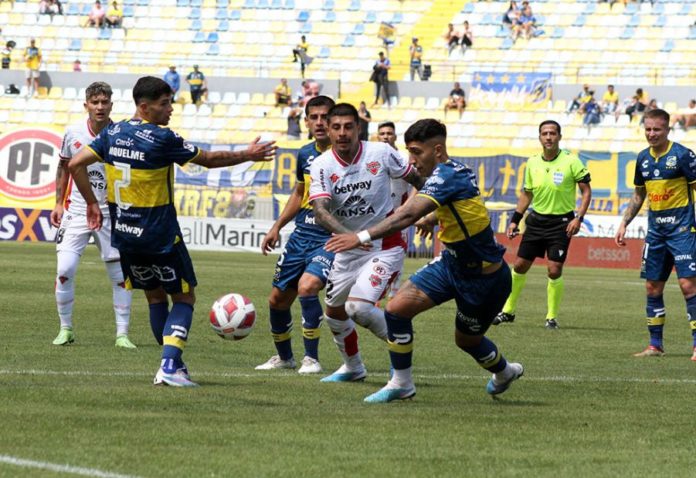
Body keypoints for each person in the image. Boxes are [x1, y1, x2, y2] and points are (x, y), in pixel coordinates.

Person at [67, 76, 277, 387]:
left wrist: (92, 204)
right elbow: (206, 160)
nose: (170, 109)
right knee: (184, 298)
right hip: (159, 235)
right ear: (144, 107)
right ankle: (168, 365)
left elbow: (74, 164)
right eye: (164, 104)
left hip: (124, 234)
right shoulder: (161, 138)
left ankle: (173, 365)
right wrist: (248, 154)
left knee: (154, 297)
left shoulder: (112, 132)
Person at [324, 119, 524, 403]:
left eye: (417, 152)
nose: (412, 160)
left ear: (438, 150)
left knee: (467, 341)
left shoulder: (446, 176)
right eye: (409, 152)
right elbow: (457, 209)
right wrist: (432, 218)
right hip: (449, 266)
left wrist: (359, 237)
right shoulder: (449, 174)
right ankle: (401, 383)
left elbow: (406, 215)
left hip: (484, 279)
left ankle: (504, 371)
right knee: (396, 310)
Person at [308, 103, 423, 383]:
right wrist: (347, 238)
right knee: (334, 312)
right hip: (347, 249)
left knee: (358, 308)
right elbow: (320, 210)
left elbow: (418, 178)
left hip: (385, 245)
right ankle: (353, 367)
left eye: (349, 126)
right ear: (329, 131)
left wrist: (429, 210)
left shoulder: (381, 153)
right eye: (336, 127)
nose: (343, 133)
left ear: (359, 128)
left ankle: (401, 357)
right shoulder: (322, 165)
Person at [49, 82, 135, 349]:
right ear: (86, 105)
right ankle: (66, 329)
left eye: (104, 102)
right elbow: (64, 167)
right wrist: (58, 203)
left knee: (120, 275)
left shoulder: (121, 134)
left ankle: (122, 335)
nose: (100, 107)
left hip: (111, 213)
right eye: (94, 102)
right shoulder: (73, 133)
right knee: (64, 270)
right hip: (76, 210)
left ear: (112, 105)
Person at [256, 95, 336, 374]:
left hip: (331, 237)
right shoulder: (305, 154)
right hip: (302, 233)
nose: (319, 123)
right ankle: (285, 358)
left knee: (308, 287)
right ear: (305, 122)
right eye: (313, 117)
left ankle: (311, 359)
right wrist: (277, 226)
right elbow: (300, 193)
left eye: (325, 117)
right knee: (277, 300)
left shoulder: (348, 155)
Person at [493, 120, 592, 329]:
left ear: (559, 137)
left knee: (554, 270)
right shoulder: (532, 163)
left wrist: (578, 218)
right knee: (519, 266)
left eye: (553, 133)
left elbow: (586, 191)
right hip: (536, 221)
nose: (549, 137)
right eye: (545, 133)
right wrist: (514, 221)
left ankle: (551, 317)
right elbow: (527, 193)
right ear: (540, 137)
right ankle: (508, 311)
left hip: (562, 223)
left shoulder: (572, 161)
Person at [615, 109, 696, 361]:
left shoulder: (683, 155)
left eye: (657, 129)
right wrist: (624, 223)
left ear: (667, 130)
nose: (652, 133)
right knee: (652, 287)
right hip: (656, 233)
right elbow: (639, 194)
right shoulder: (642, 159)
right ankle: (655, 345)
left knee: (688, 285)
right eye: (648, 129)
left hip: (682, 231)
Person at [377, 121, 413, 299]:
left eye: (389, 133)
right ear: (377, 136)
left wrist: (407, 208)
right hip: (375, 218)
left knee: (398, 253)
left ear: (395, 137)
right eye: (382, 133)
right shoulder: (370, 160)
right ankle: (376, 291)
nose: (385, 136)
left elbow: (416, 185)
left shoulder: (404, 160)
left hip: (399, 217)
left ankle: (394, 293)